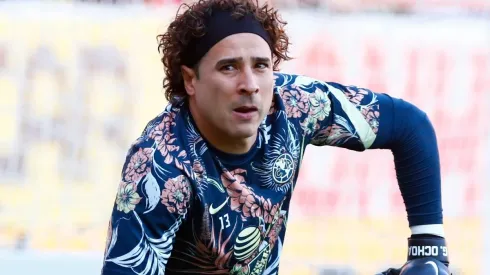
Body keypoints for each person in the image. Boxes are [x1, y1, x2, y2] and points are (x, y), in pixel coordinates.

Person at [100, 0, 451, 274]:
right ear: (190, 80)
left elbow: (410, 126)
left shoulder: (293, 106)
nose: (250, 84)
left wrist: (429, 248)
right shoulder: (160, 166)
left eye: (261, 65)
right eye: (228, 67)